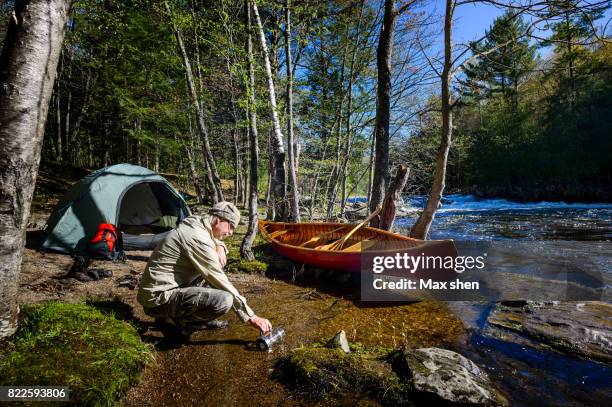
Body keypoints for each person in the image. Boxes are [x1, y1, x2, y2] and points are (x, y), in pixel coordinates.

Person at [137, 201, 272, 338]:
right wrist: (252, 317)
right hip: (157, 300)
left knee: (214, 281)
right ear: (218, 220)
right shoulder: (197, 237)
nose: (231, 232)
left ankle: (190, 319)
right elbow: (219, 279)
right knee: (224, 300)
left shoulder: (198, 222)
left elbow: (212, 235)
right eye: (230, 227)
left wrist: (220, 245)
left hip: (168, 289)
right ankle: (176, 323)